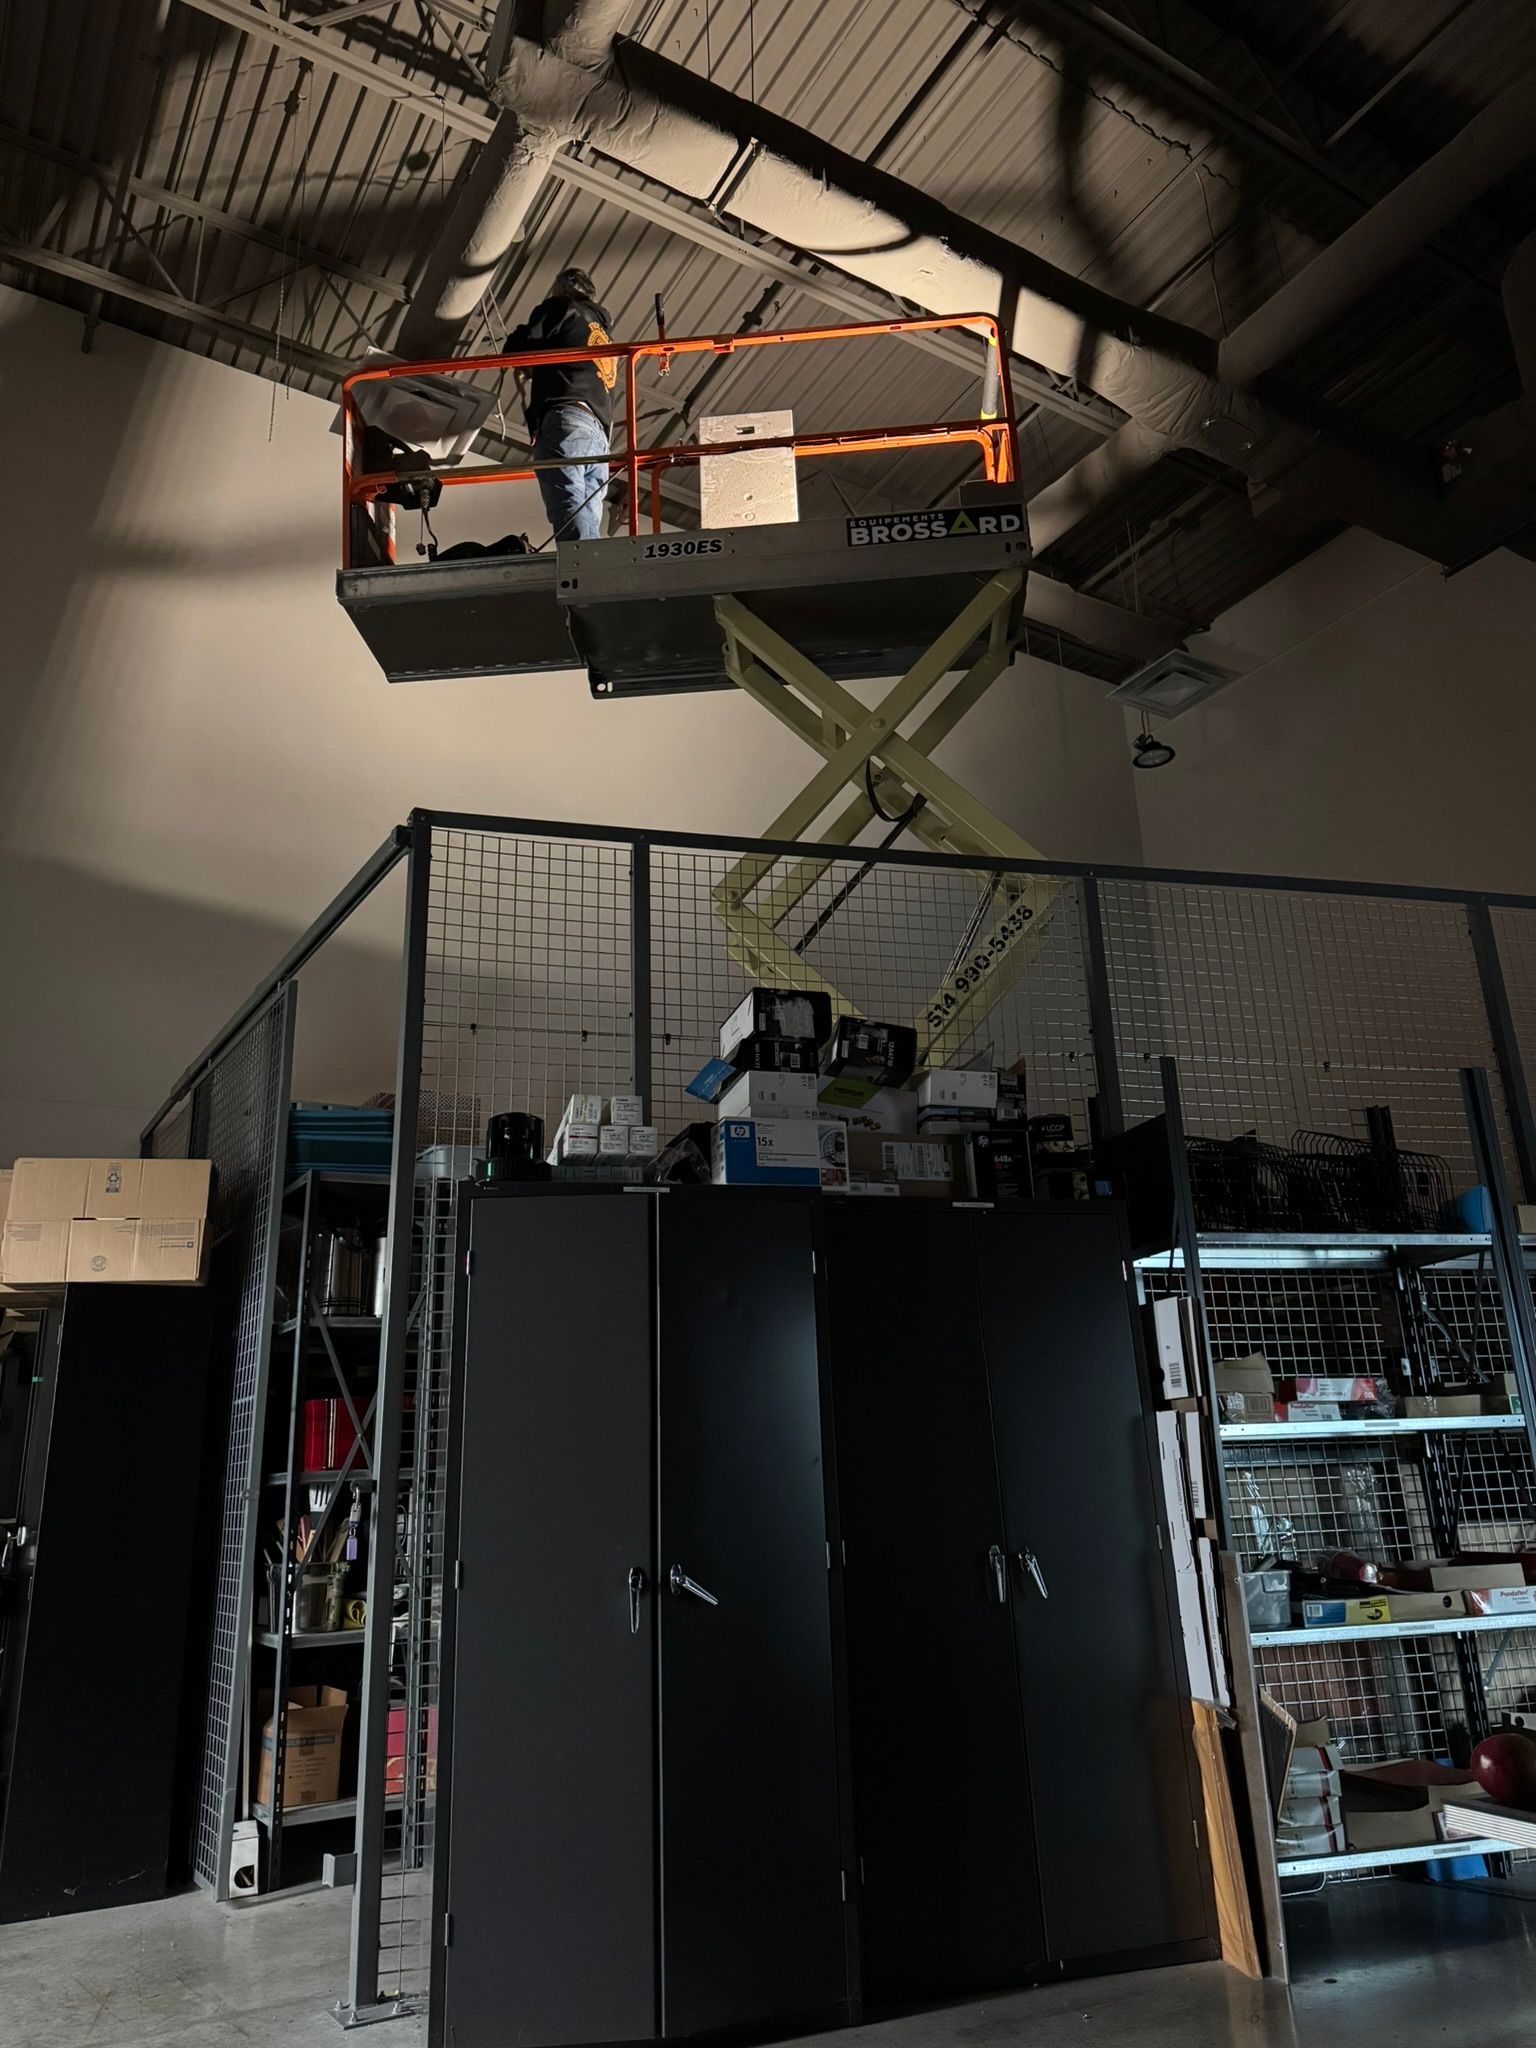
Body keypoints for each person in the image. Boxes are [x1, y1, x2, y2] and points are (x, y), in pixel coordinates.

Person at [504, 267, 616, 543]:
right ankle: (591, 559)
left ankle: (583, 562)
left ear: (563, 288)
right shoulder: (602, 334)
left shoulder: (562, 307)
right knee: (586, 511)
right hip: (599, 435)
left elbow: (516, 348)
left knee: (567, 503)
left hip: (567, 420)